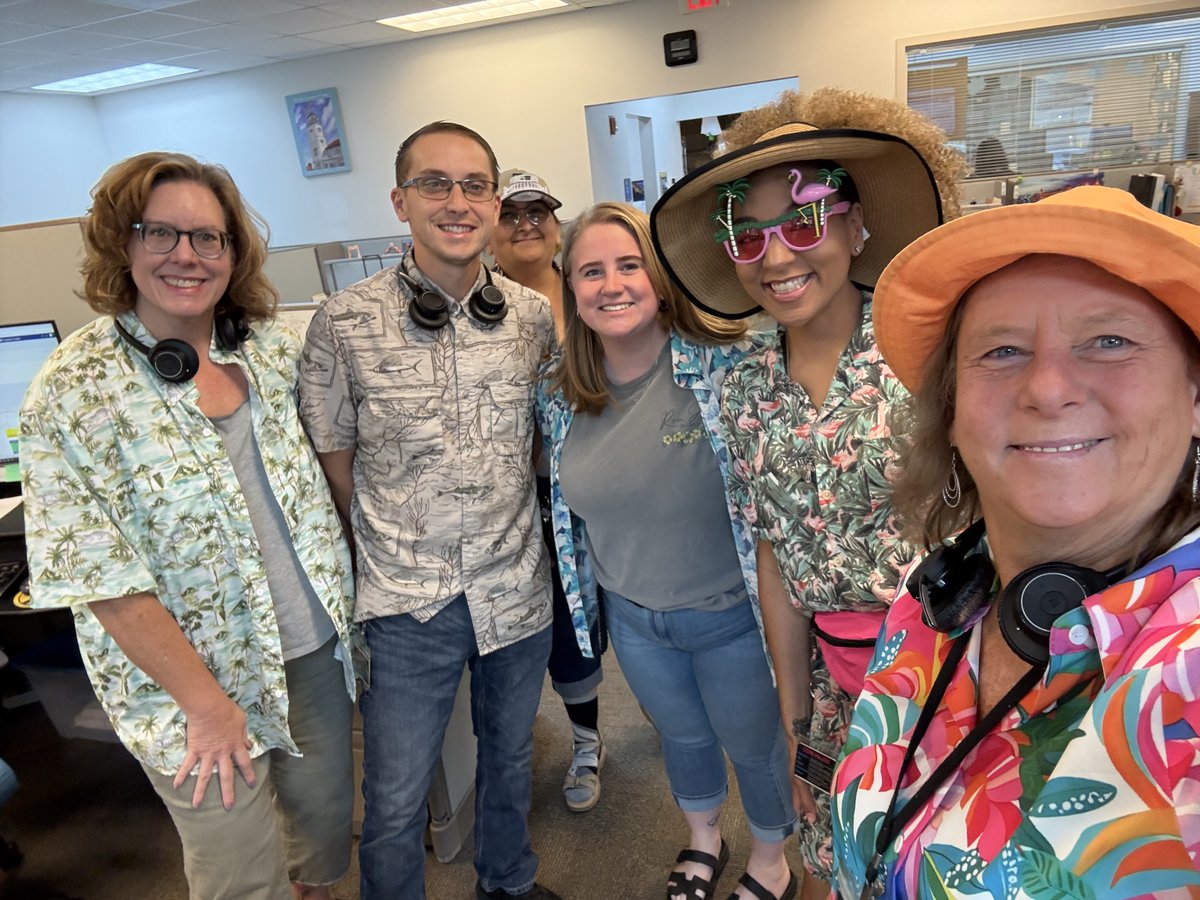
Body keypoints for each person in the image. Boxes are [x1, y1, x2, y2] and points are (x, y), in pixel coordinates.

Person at [831, 185, 1200, 897]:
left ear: (1194, 395)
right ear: (953, 413)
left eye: (1109, 341)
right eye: (1001, 350)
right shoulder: (935, 598)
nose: (1048, 387)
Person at [651, 88, 964, 897]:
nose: (778, 257)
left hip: (947, 675)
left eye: (803, 221)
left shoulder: (929, 358)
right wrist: (796, 725)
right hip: (830, 680)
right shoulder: (744, 386)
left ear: (857, 226)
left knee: (940, 862)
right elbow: (773, 557)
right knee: (832, 862)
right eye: (747, 237)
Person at [19, 151, 357, 900]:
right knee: (239, 871)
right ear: (122, 243)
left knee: (325, 833)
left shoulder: (269, 349)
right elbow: (99, 578)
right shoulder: (72, 389)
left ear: (233, 252)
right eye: (161, 233)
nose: (186, 256)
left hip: (309, 645)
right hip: (188, 688)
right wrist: (205, 709)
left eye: (208, 238)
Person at [299, 122, 559, 900]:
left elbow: (543, 445)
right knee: (396, 795)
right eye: (435, 184)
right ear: (400, 200)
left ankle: (507, 882)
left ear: (493, 200)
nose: (457, 201)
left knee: (510, 763)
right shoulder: (342, 322)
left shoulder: (531, 317)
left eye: (475, 185)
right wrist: (393, 541)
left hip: (516, 586)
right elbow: (332, 458)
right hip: (405, 600)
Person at [538, 201, 799, 900]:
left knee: (755, 745)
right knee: (683, 741)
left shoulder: (726, 365)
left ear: (660, 277)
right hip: (634, 619)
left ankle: (773, 863)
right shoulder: (560, 394)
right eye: (591, 271)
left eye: (629, 265)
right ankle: (703, 839)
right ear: (572, 289)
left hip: (732, 617)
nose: (611, 285)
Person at [490, 168, 608, 813]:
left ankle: (588, 739)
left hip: (584, 491)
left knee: (579, 620)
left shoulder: (586, 295)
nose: (526, 224)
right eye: (511, 214)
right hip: (505, 500)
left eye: (539, 213)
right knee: (511, 631)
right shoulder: (478, 308)